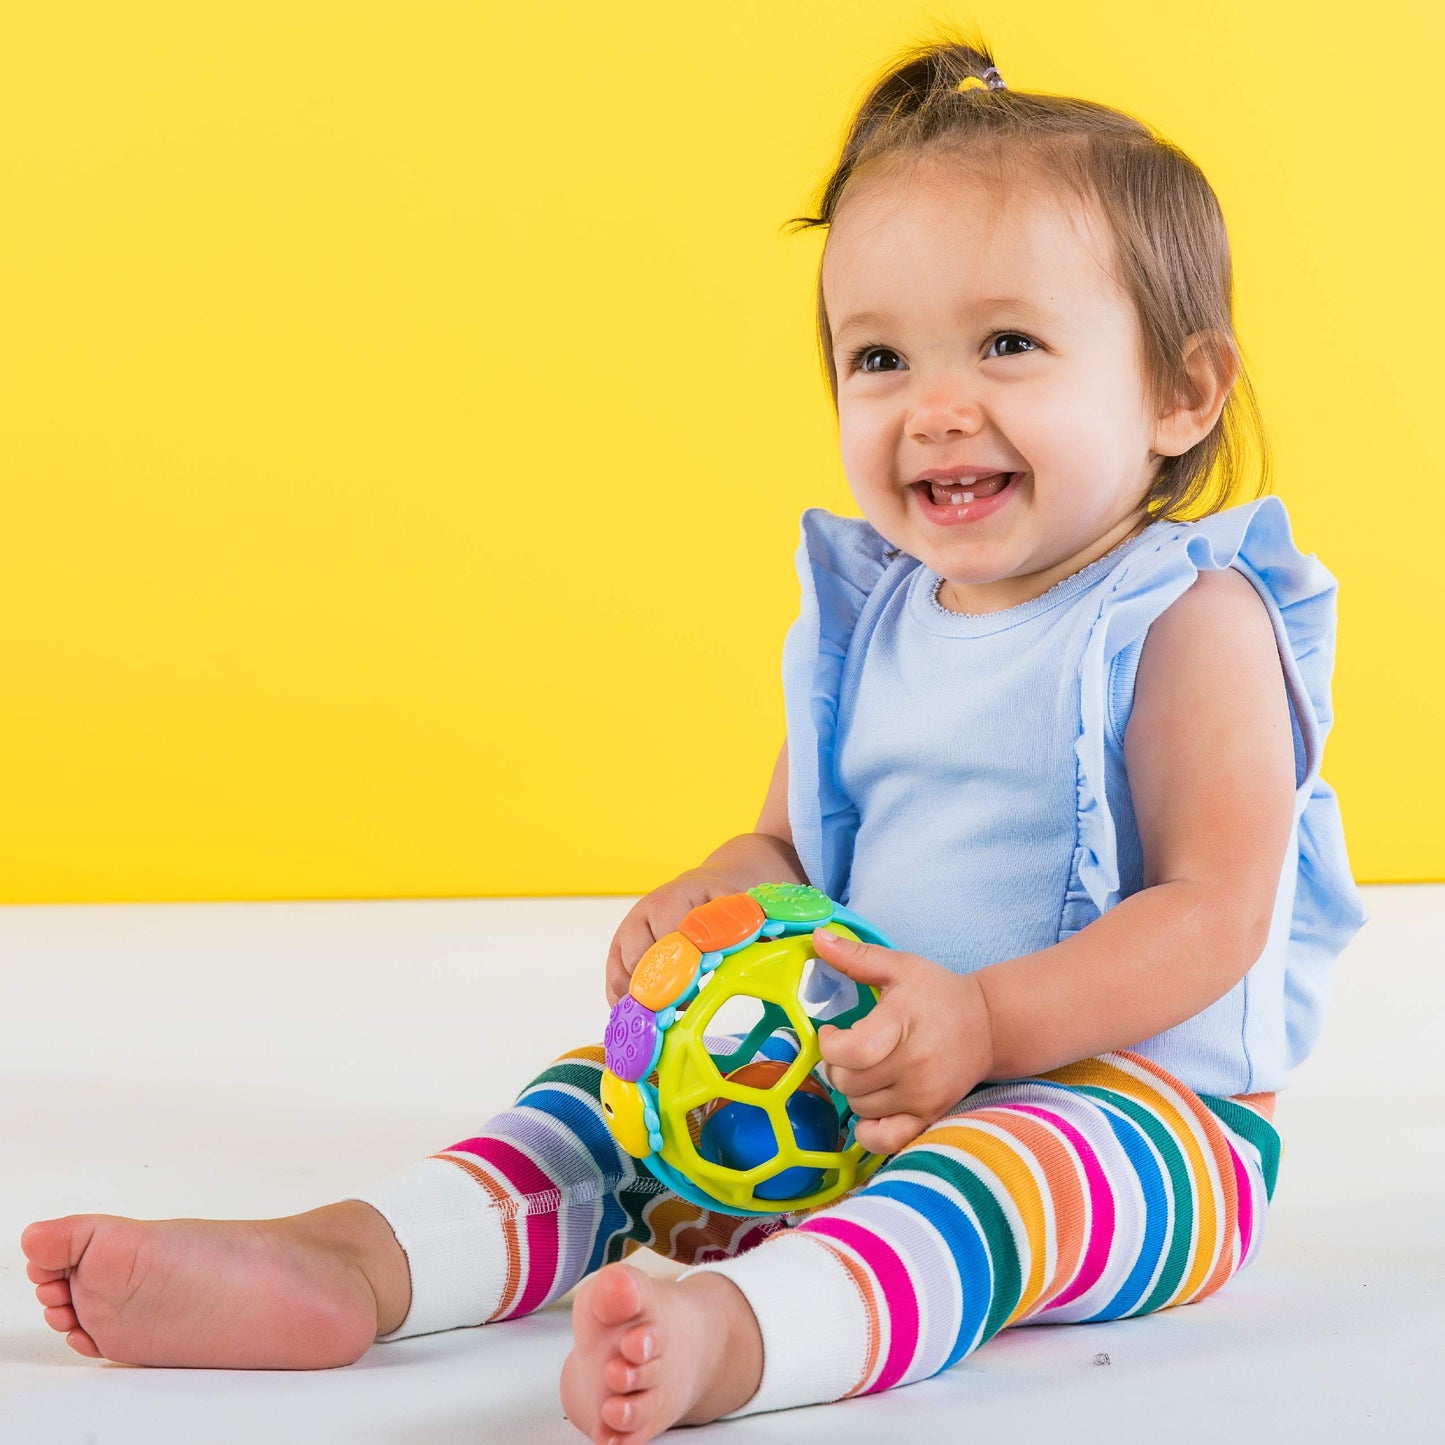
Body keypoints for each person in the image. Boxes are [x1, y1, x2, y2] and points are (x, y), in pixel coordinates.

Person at [20, 32, 1367, 1445]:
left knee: (992, 1182)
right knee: (596, 1110)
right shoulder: (876, 616)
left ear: (1180, 392)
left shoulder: (1188, 616)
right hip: (844, 1076)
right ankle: (358, 1256)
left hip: (1141, 1122)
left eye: (1008, 345)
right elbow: (791, 837)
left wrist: (985, 1024)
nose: (934, 405)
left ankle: (747, 1333)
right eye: (878, 356)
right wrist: (713, 891)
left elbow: (1214, 911)